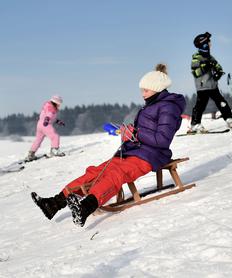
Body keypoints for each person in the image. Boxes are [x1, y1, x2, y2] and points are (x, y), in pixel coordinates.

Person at [31, 64, 186, 227]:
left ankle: (86, 206)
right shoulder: (152, 104)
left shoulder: (168, 108)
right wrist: (127, 133)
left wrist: (135, 133)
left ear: (157, 88)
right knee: (96, 172)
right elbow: (143, 131)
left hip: (151, 156)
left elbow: (162, 140)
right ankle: (55, 203)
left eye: (145, 90)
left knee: (116, 173)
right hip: (134, 151)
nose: (142, 94)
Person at [190, 32, 232, 133]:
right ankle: (195, 124)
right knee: (200, 106)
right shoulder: (196, 58)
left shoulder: (210, 57)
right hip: (202, 87)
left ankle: (229, 118)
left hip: (213, 86)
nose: (211, 44)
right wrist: (205, 67)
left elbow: (218, 66)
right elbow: (195, 73)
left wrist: (218, 73)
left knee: (221, 102)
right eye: (209, 42)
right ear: (204, 44)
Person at [26, 95, 66, 161]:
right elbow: (49, 114)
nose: (59, 105)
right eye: (59, 103)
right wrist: (47, 119)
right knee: (55, 136)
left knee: (38, 140)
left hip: (40, 124)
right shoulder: (51, 108)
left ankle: (31, 154)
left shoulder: (47, 106)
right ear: (56, 102)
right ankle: (54, 151)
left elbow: (51, 117)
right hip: (46, 124)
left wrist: (58, 121)